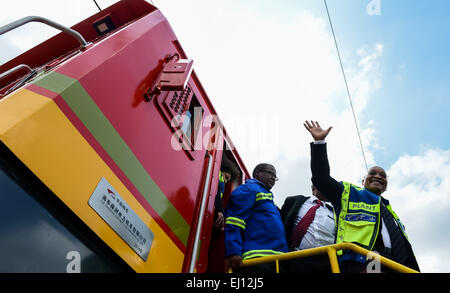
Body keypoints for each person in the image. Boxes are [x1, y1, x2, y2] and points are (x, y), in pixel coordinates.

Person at [303, 120, 420, 272]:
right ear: (363, 181)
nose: (378, 176)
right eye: (373, 173)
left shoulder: (391, 212)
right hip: (367, 259)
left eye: (383, 175)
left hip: (397, 265)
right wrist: (319, 143)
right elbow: (321, 179)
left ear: (386, 184)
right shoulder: (349, 193)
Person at [224, 163, 289, 272]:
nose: (273, 177)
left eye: (275, 176)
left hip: (277, 259)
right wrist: (234, 252)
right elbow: (234, 221)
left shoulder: (268, 197)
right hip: (256, 258)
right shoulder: (249, 189)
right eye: (270, 173)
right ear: (257, 173)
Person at [280, 185, 336, 272]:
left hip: (326, 262)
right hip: (294, 258)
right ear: (314, 187)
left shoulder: (335, 212)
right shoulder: (294, 201)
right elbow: (281, 223)